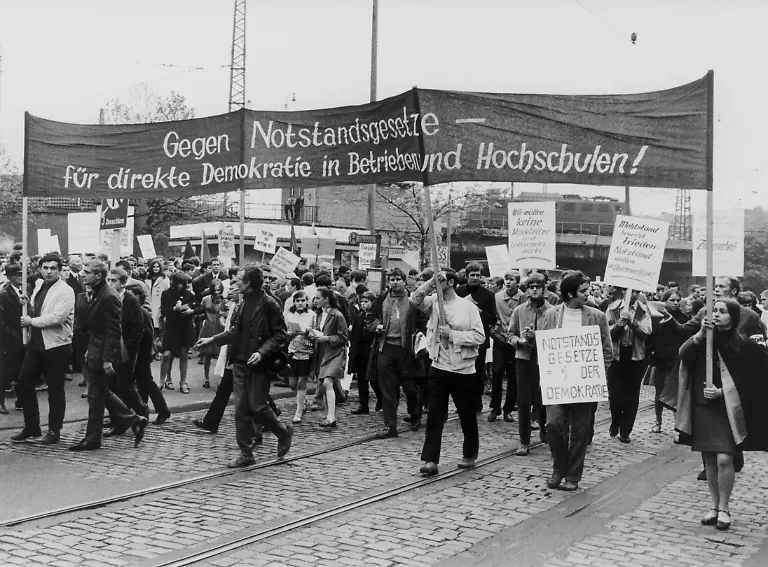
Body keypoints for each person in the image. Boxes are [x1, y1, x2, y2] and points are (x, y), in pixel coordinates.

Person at [677, 298, 768, 531]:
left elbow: (754, 379)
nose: (716, 314)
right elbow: (683, 353)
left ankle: (725, 507)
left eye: (723, 311)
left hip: (728, 409)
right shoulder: (705, 339)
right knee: (709, 459)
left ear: (733, 316)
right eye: (714, 310)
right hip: (704, 406)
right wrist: (700, 334)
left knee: (725, 458)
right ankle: (714, 506)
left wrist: (723, 391)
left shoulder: (744, 345)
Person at [196, 265, 294, 467]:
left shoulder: (269, 303)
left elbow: (280, 335)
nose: (236, 282)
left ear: (248, 283)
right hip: (239, 362)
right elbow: (235, 331)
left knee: (258, 406)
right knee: (240, 410)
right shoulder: (243, 302)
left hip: (259, 364)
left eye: (239, 279)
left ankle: (283, 432)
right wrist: (212, 340)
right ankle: (246, 453)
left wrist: (261, 352)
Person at [540, 271, 613, 491]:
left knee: (580, 431)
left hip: (584, 384)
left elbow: (607, 351)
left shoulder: (597, 316)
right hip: (558, 382)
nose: (587, 294)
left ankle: (572, 475)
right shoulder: (552, 315)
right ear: (570, 293)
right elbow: (545, 347)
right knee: (553, 425)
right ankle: (558, 468)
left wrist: (596, 375)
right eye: (583, 291)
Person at [411, 269, 486, 475]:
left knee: (466, 414)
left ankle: (470, 453)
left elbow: (479, 337)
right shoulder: (434, 302)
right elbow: (415, 299)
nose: (437, 284)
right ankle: (430, 460)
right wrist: (431, 282)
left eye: (442, 280)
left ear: (451, 282)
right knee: (435, 414)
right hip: (439, 366)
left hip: (463, 369)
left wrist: (452, 334)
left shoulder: (468, 307)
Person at [70, 259, 147, 451]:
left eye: (88, 272)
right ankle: (133, 419)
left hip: (102, 351)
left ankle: (93, 438)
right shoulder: (98, 292)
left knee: (96, 395)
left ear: (98, 276)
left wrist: (107, 359)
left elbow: (113, 331)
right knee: (99, 392)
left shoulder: (108, 296)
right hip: (95, 348)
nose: (83, 274)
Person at [11, 253, 75, 445]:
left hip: (56, 345)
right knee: (23, 383)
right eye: (45, 268)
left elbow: (58, 317)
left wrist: (31, 321)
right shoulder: (39, 285)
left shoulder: (66, 290)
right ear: (40, 269)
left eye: (53, 268)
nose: (49, 272)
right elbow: (37, 310)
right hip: (36, 343)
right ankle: (32, 427)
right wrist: (28, 306)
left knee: (55, 389)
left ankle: (54, 430)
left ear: (59, 270)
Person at [375, 267, 426, 438]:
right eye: (392, 279)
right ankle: (390, 426)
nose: (395, 282)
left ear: (404, 281)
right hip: (386, 347)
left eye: (398, 279)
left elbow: (422, 320)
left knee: (410, 387)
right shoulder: (382, 298)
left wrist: (420, 339)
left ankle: (415, 415)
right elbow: (372, 316)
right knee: (388, 388)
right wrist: (376, 325)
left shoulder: (413, 299)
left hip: (407, 349)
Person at [508, 272, 552, 456]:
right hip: (524, 359)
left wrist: (537, 337)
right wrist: (519, 341)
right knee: (524, 401)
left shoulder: (553, 311)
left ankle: (544, 429)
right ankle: (524, 441)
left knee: (542, 400)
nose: (534, 290)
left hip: (545, 360)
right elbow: (510, 334)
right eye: (531, 287)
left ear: (543, 289)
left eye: (538, 287)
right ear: (526, 290)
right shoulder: (519, 311)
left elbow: (555, 336)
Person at [104, 268, 149, 428]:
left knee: (124, 385)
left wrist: (128, 348)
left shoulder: (131, 301)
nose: (110, 283)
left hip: (126, 350)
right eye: (108, 280)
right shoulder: (107, 298)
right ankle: (117, 418)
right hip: (110, 346)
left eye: (114, 281)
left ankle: (142, 411)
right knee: (110, 385)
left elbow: (138, 328)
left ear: (123, 283)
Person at [605, 287, 652, 443]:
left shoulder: (643, 310)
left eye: (638, 292)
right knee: (614, 396)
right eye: (631, 291)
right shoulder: (613, 308)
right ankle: (615, 421)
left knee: (632, 397)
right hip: (616, 357)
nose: (634, 294)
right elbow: (606, 332)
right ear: (624, 291)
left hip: (635, 357)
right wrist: (619, 325)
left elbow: (646, 332)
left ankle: (625, 431)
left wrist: (633, 322)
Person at [125, 282, 170, 425]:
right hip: (137, 353)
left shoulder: (141, 312)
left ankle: (161, 411)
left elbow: (148, 334)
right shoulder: (133, 310)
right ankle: (140, 412)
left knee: (146, 382)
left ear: (138, 297)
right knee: (142, 383)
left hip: (141, 353)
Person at [455, 263, 497, 413]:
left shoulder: (488, 294)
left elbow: (493, 318)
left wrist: (478, 311)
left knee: (477, 372)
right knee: (460, 372)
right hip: (461, 336)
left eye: (477, 275)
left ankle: (476, 403)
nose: (475, 278)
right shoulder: (458, 291)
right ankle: (462, 403)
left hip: (479, 339)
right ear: (467, 276)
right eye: (472, 275)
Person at [646, 289, 689, 433]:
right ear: (664, 301)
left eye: (677, 300)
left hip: (677, 360)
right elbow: (650, 336)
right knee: (659, 392)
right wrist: (652, 351)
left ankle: (678, 427)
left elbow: (686, 335)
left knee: (676, 393)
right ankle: (658, 421)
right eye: (672, 300)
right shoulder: (656, 317)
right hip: (660, 359)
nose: (675, 303)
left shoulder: (684, 318)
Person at [307, 288, 348, 428]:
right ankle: (334, 409)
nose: (315, 300)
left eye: (318, 298)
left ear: (326, 299)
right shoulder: (319, 315)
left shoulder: (337, 315)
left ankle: (331, 417)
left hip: (335, 353)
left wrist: (327, 338)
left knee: (327, 383)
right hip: (323, 353)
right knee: (327, 383)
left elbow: (343, 337)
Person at [489, 270, 524, 423]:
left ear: (518, 282)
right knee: (497, 372)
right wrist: (493, 330)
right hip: (500, 339)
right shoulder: (497, 297)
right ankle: (495, 407)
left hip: (516, 342)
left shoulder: (523, 297)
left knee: (513, 376)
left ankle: (508, 409)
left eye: (512, 279)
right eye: (506, 279)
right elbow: (492, 316)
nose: (508, 282)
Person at [160, 272, 197, 393]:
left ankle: (183, 382)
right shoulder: (166, 294)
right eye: (178, 283)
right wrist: (174, 309)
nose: (180, 286)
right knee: (167, 355)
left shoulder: (189, 294)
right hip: (171, 327)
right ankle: (165, 380)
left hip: (185, 327)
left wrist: (191, 311)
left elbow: (197, 307)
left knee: (184, 354)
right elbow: (164, 310)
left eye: (182, 283)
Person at [348, 291, 383, 415]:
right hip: (360, 351)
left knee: (373, 379)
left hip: (372, 350)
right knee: (362, 380)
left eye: (366, 302)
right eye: (362, 302)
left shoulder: (377, 317)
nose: (363, 304)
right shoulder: (359, 316)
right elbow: (355, 335)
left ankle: (381, 398)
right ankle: (363, 405)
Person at [285, 290, 315, 423]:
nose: (300, 303)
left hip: (307, 352)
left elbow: (317, 333)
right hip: (292, 351)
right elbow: (284, 333)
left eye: (303, 300)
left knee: (301, 382)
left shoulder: (312, 315)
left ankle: (299, 412)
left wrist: (308, 333)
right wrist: (290, 334)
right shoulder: (289, 315)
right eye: (297, 301)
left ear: (307, 302)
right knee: (292, 384)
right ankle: (304, 400)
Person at [0, 264, 24, 415]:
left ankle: (21, 399)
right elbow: (2, 321)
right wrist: (15, 335)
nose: (21, 276)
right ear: (9, 277)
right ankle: (1, 402)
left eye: (22, 273)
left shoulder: (25, 290)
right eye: (17, 274)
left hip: (23, 336)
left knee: (22, 370)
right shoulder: (4, 295)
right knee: (5, 371)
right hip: (8, 339)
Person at [198, 280, 227, 388]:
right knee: (207, 354)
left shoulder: (225, 301)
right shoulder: (206, 299)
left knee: (221, 355)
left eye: (219, 289)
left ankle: (220, 379)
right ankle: (206, 378)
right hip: (208, 327)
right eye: (215, 289)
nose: (217, 292)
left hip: (220, 327)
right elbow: (200, 311)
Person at [147, 258, 170, 340]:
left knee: (159, 324)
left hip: (159, 303)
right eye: (154, 267)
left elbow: (167, 292)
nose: (156, 268)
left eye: (157, 266)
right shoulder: (147, 279)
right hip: (149, 302)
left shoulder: (165, 279)